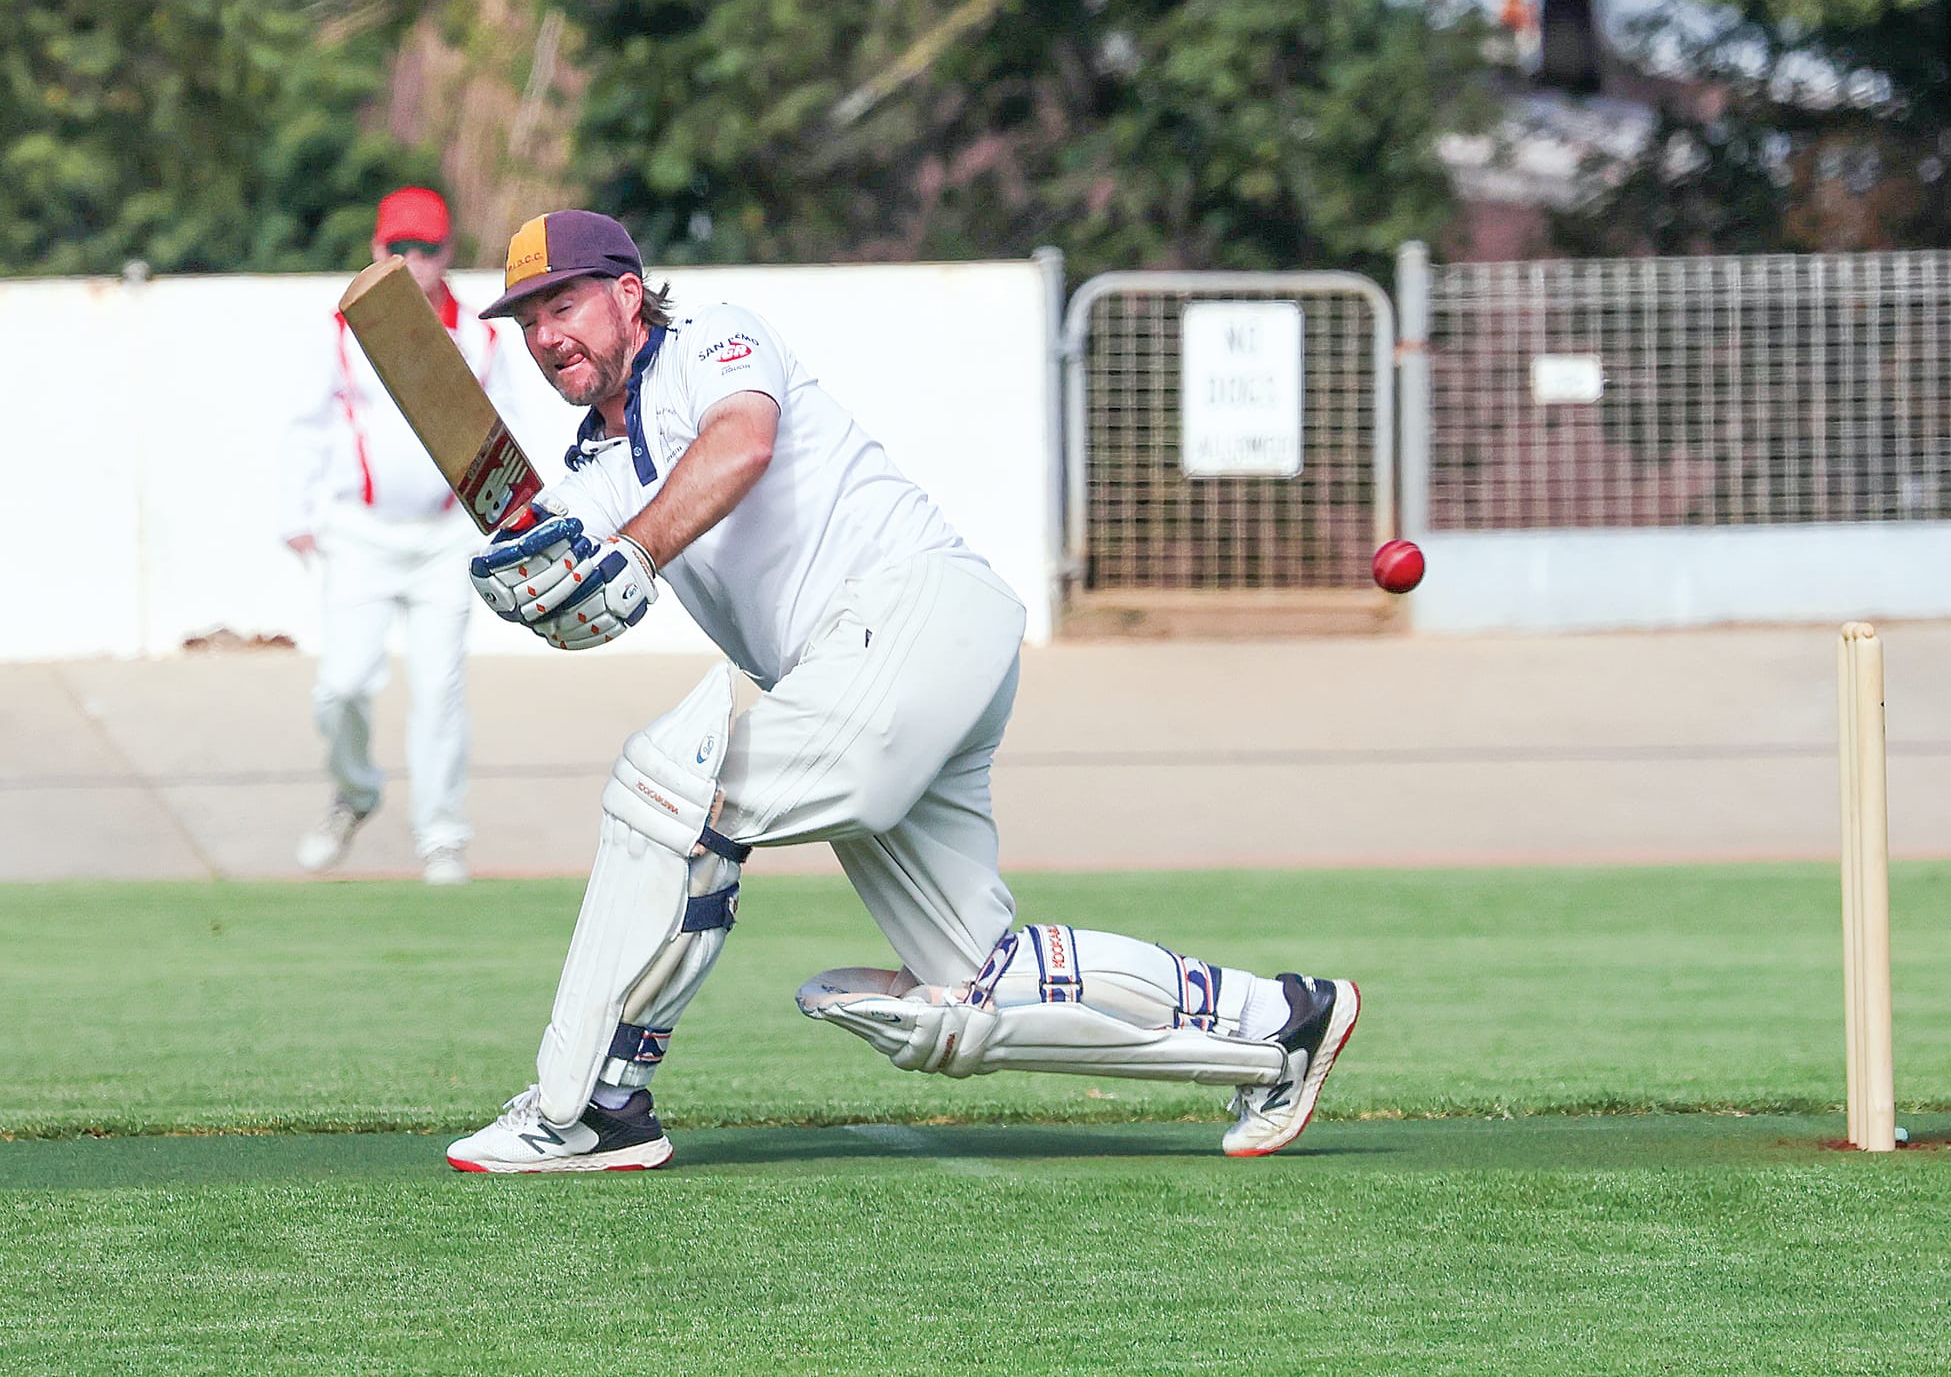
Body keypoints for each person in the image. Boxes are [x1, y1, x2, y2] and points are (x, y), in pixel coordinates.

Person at [443, 210, 1360, 1173]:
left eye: (564, 303)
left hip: (909, 613)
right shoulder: (590, 468)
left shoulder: (713, 337)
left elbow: (742, 443)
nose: (548, 336)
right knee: (976, 983)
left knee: (674, 794)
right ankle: (1285, 1022)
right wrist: (544, 590)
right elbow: (589, 583)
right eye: (528, 320)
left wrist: (630, 552)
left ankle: (595, 1102)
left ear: (627, 293)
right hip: (875, 674)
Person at [278, 187, 509, 887]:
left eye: (425, 249)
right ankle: (355, 790)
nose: (410, 262)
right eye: (395, 248)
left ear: (446, 254)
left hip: (446, 538)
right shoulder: (341, 330)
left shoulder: (482, 336)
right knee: (340, 686)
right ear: (377, 252)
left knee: (439, 691)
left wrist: (511, 525)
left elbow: (510, 436)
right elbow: (306, 421)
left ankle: (441, 832)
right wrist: (296, 513)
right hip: (359, 533)